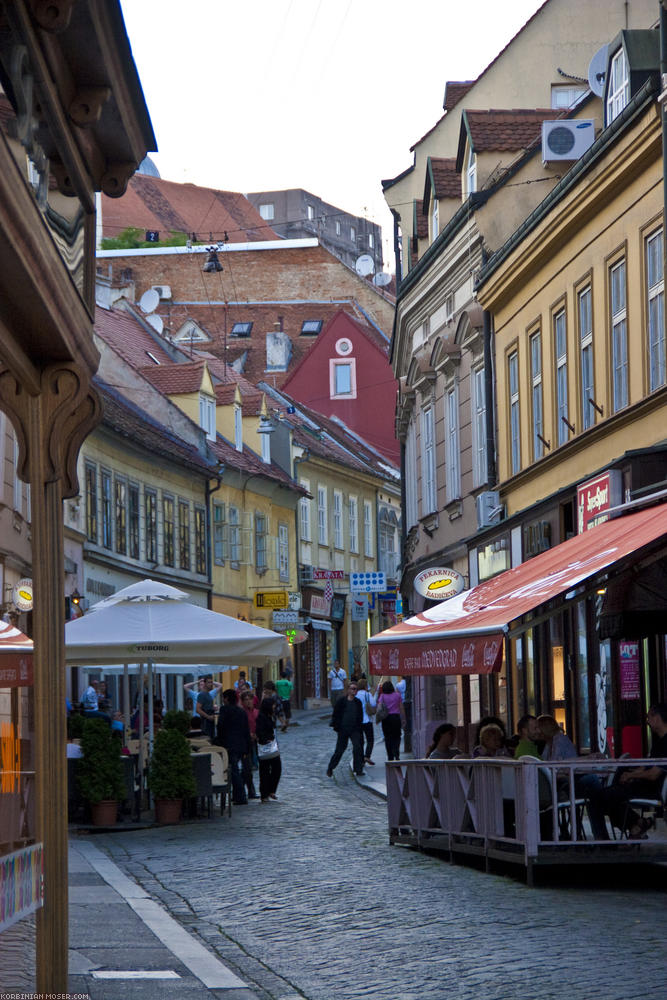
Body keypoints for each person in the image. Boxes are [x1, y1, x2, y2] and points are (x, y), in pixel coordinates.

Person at [597, 704, 667, 838]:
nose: (647, 721)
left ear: (657, 718)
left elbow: (653, 774)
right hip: (647, 786)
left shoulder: (664, 743)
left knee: (604, 796)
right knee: (609, 795)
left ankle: (635, 824)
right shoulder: (660, 742)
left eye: (649, 717)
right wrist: (631, 774)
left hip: (652, 789)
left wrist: (632, 775)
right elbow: (648, 766)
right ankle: (638, 824)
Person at [215, 688, 251, 805]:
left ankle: (240, 796)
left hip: (229, 745)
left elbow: (220, 726)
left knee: (234, 770)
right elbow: (246, 729)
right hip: (241, 745)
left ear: (226, 699)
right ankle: (237, 795)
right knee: (236, 770)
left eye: (223, 698)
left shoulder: (225, 710)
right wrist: (247, 747)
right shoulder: (241, 711)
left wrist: (219, 742)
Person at [327, 680, 365, 777]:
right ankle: (331, 767)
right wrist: (337, 726)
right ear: (348, 690)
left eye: (356, 689)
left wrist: (359, 727)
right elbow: (336, 714)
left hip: (354, 729)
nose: (354, 691)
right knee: (340, 750)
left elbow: (360, 716)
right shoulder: (341, 701)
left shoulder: (358, 702)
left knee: (357, 747)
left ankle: (358, 769)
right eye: (352, 689)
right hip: (343, 729)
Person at [256, 696, 282, 802]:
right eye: (273, 705)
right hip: (265, 747)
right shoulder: (262, 717)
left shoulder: (270, 716)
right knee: (265, 771)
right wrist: (265, 739)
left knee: (275, 769)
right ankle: (265, 794)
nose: (274, 707)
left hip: (272, 746)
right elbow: (260, 730)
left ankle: (270, 791)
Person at [376, 681, 406, 762]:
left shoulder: (382, 696)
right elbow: (401, 707)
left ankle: (390, 756)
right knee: (397, 736)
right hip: (396, 718)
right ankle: (396, 752)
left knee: (388, 737)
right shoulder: (397, 695)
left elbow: (379, 708)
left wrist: (378, 718)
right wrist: (403, 719)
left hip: (386, 718)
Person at [240, 689, 259, 799]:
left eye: (250, 699)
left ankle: (240, 790)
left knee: (248, 767)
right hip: (245, 743)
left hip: (255, 742)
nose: (248, 701)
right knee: (247, 766)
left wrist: (257, 734)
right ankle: (249, 791)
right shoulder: (242, 712)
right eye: (245, 700)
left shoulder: (256, 712)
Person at [356, 678, 376, 765]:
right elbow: (374, 704)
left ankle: (360, 759)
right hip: (367, 720)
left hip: (358, 721)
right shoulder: (368, 695)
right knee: (370, 740)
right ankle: (367, 756)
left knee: (360, 741)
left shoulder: (356, 695)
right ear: (365, 686)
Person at [195, 675, 222, 740]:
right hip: (206, 721)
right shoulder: (202, 694)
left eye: (211, 682)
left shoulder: (208, 694)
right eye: (209, 682)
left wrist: (212, 708)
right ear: (204, 683)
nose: (211, 684)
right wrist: (208, 716)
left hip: (211, 719)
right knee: (207, 738)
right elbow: (198, 709)